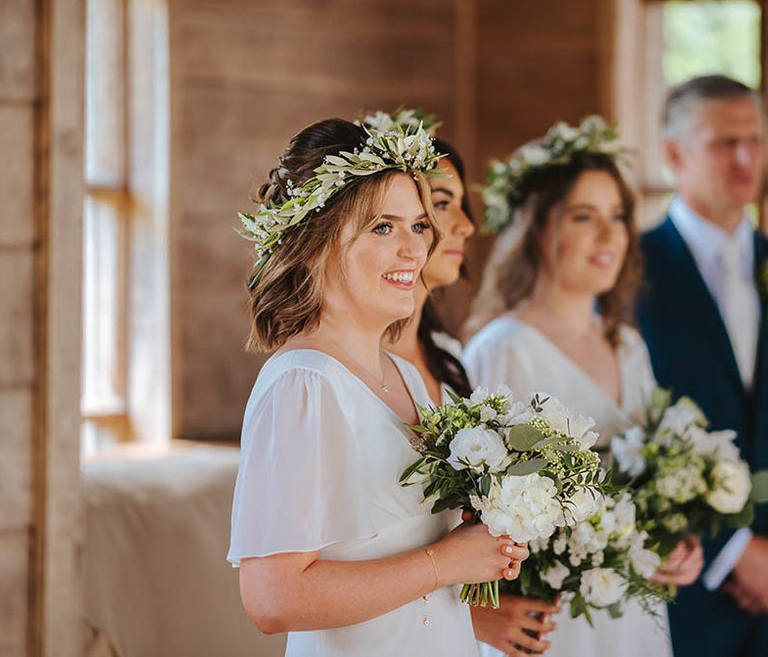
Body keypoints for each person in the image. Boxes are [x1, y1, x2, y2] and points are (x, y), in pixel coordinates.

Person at [227, 118, 528, 657]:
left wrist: (488, 544)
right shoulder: (304, 385)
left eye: (418, 225)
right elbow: (272, 597)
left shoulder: (407, 377)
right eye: (384, 227)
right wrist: (450, 561)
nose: (414, 249)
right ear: (317, 242)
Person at [462, 117, 703, 657]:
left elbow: (648, 473)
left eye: (618, 217)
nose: (609, 235)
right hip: (548, 615)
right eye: (584, 216)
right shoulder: (504, 348)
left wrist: (671, 539)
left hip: (630, 609)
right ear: (538, 228)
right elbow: (471, 507)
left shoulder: (628, 346)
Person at [386, 134, 560, 655]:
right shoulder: (353, 371)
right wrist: (473, 617)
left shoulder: (446, 352)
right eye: (442, 206)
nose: (465, 225)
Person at [637, 74, 768, 657]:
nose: (746, 158)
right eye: (724, 142)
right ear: (673, 154)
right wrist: (735, 551)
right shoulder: (628, 273)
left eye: (755, 140)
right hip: (682, 587)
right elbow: (620, 426)